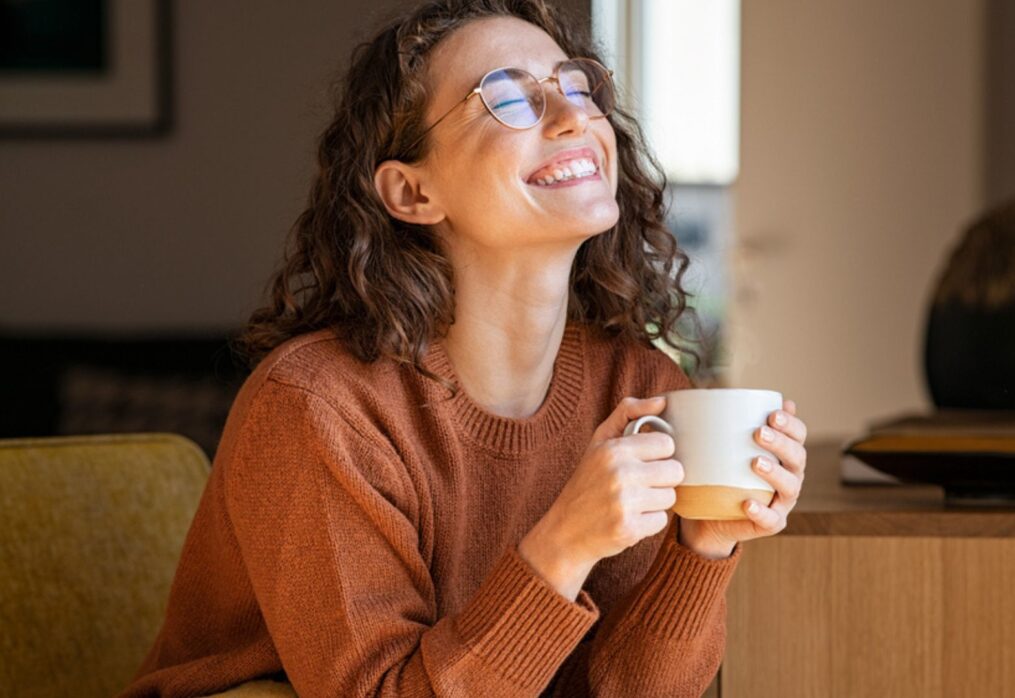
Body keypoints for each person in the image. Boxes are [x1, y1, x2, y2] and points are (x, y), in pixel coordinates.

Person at [121, 1, 808, 696]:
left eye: (575, 85)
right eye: (507, 97)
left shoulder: (637, 384)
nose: (572, 117)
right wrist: (561, 546)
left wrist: (704, 544)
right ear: (412, 191)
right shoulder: (319, 407)